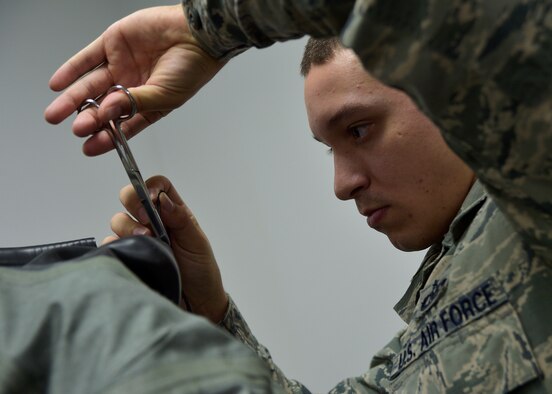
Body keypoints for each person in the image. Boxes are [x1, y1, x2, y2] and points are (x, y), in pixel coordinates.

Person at [44, 1, 552, 392]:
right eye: (329, 148)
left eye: (357, 130)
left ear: (452, 89)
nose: (341, 185)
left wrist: (207, 27)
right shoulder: (456, 278)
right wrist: (208, 319)